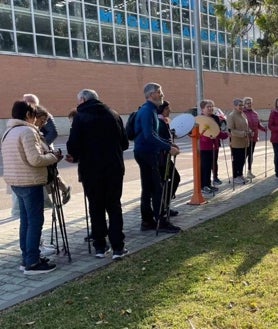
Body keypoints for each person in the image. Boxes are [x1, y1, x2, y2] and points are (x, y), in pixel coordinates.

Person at [66, 89, 129, 260]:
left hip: (91, 170)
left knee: (96, 206)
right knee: (114, 206)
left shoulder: (80, 117)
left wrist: (77, 155)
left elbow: (72, 145)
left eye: (78, 101)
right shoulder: (113, 114)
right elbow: (124, 143)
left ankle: (100, 246)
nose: (78, 104)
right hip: (114, 167)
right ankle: (118, 247)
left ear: (84, 99)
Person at [1, 101, 61, 274]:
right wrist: (53, 157)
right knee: (34, 222)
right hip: (30, 181)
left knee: (26, 221)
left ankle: (27, 257)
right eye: (34, 116)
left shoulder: (8, 132)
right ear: (28, 115)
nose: (35, 120)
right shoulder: (27, 131)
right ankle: (33, 263)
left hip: (16, 182)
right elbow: (35, 160)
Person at [134, 82, 180, 233]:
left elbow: (152, 134)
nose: (162, 94)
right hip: (147, 153)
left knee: (147, 188)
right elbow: (149, 135)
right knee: (156, 188)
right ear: (151, 94)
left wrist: (168, 144)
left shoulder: (150, 110)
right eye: (159, 92)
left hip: (144, 152)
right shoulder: (147, 111)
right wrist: (168, 147)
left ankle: (147, 221)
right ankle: (161, 222)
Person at [199, 99, 229, 194]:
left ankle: (209, 184)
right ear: (202, 109)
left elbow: (217, 131)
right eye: (208, 107)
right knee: (205, 166)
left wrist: (225, 135)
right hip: (205, 146)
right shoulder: (199, 119)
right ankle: (203, 185)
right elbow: (199, 134)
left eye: (212, 106)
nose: (210, 108)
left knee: (213, 164)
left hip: (214, 145)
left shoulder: (215, 118)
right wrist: (207, 137)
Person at [157, 100, 180, 217]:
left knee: (171, 180)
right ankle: (163, 207)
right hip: (161, 158)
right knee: (172, 179)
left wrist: (171, 138)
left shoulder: (163, 121)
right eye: (167, 108)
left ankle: (165, 205)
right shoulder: (159, 122)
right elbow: (159, 139)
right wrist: (169, 145)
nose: (170, 110)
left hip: (165, 156)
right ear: (162, 109)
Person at [227, 99, 250, 184]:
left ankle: (240, 174)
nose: (241, 107)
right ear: (235, 106)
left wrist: (249, 131)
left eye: (242, 105)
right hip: (236, 142)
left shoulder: (243, 114)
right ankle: (235, 176)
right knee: (237, 160)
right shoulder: (231, 115)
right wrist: (243, 133)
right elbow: (231, 130)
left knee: (242, 160)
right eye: (239, 105)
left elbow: (246, 127)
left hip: (245, 142)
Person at [243, 97, 267, 179]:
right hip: (245, 138)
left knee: (250, 155)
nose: (249, 104)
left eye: (250, 103)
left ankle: (249, 171)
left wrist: (264, 129)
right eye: (247, 103)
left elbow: (258, 124)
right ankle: (239, 173)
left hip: (254, 138)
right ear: (244, 104)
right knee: (244, 155)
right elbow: (242, 125)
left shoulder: (255, 113)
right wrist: (248, 131)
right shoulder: (242, 113)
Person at [268, 98, 278, 178]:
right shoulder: (273, 113)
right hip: (276, 138)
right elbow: (270, 126)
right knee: (277, 155)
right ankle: (277, 172)